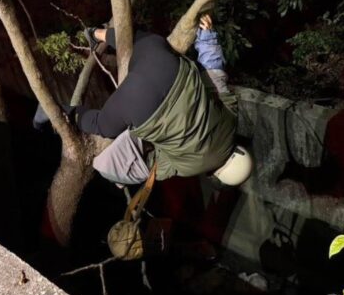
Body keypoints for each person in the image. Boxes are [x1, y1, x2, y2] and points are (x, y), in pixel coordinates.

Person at [77, 15, 253, 187]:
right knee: (100, 125)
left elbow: (214, 74)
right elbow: (151, 167)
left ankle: (95, 34)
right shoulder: (189, 169)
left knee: (141, 40)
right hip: (139, 105)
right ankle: (70, 112)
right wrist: (119, 179)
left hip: (166, 68)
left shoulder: (231, 121)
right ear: (219, 175)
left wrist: (207, 35)